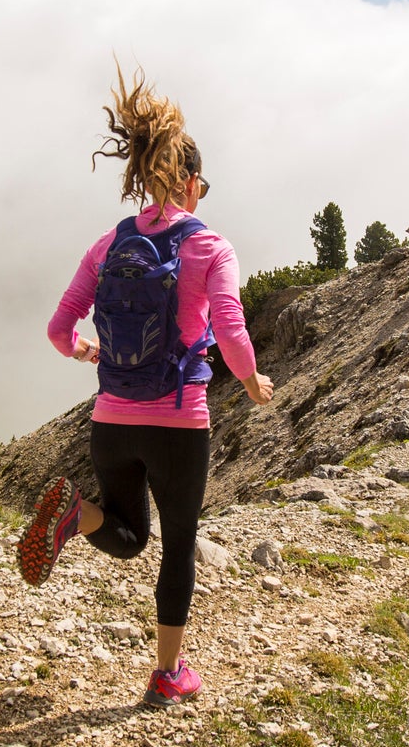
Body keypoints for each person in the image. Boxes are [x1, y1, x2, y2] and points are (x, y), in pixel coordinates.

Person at [18, 66, 274, 708]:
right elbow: (231, 329)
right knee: (176, 544)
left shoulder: (109, 244)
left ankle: (77, 515)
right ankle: (167, 673)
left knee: (128, 536)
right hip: (178, 421)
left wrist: (85, 350)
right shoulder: (211, 247)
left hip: (112, 419)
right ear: (189, 182)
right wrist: (251, 382)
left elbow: (58, 329)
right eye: (203, 185)